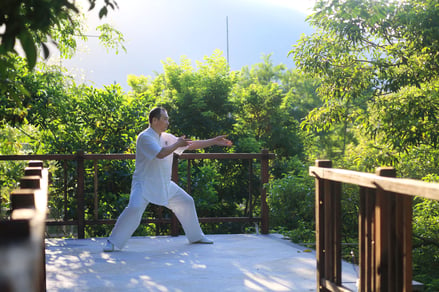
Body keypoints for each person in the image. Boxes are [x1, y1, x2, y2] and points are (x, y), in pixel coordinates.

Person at [103, 107, 233, 252]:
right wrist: (177, 143)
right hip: (144, 183)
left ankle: (196, 236)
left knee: (186, 202)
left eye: (167, 119)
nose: (168, 122)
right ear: (154, 120)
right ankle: (113, 242)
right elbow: (161, 154)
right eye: (165, 119)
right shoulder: (145, 137)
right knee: (134, 209)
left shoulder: (166, 137)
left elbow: (191, 144)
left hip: (164, 183)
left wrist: (214, 141)